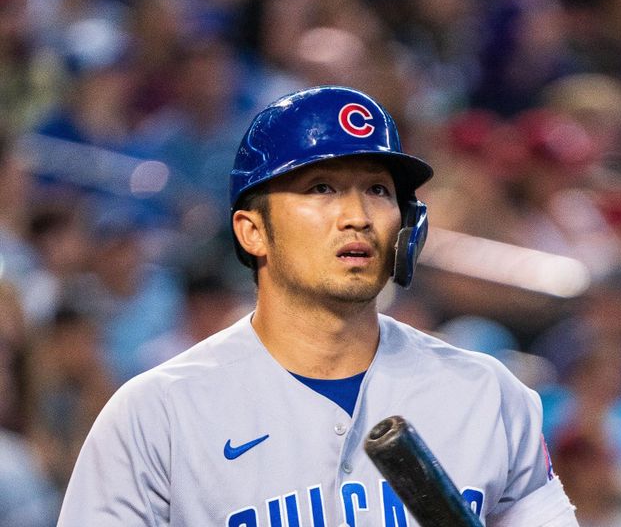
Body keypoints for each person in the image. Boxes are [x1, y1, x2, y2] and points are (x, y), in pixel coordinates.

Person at [57, 85, 578, 526]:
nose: (356, 215)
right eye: (321, 188)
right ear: (253, 230)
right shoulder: (157, 415)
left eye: (377, 189)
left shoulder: (489, 396)